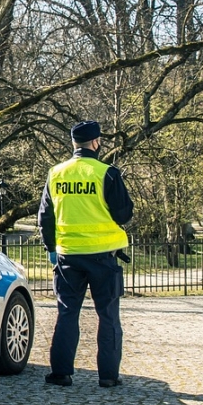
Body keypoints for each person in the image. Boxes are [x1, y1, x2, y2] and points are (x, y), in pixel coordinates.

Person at [36, 120, 133, 388]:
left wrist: (51, 249)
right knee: (108, 315)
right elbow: (124, 214)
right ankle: (109, 376)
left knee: (67, 313)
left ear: (73, 143)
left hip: (68, 256)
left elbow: (45, 217)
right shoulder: (107, 173)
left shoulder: (56, 174)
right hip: (103, 256)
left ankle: (61, 373)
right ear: (96, 142)